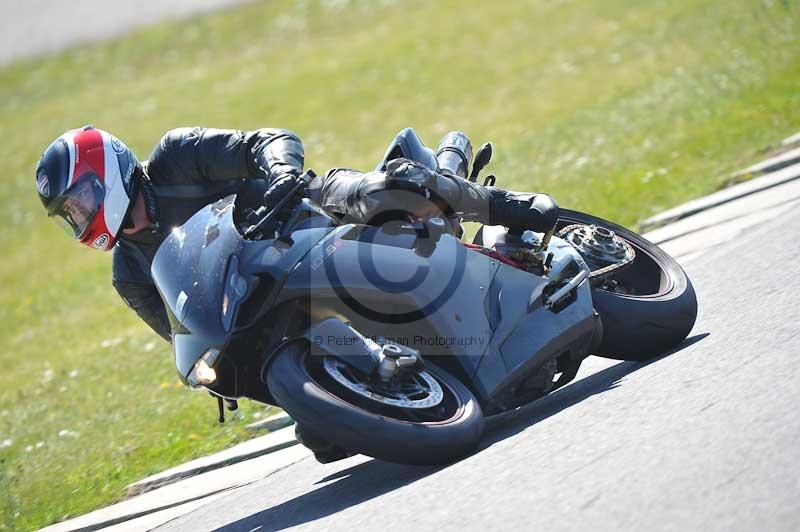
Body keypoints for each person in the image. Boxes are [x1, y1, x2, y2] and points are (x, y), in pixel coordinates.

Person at [35, 125, 558, 462]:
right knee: (322, 440)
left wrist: (281, 171)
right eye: (70, 216)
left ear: (107, 173)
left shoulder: (175, 157)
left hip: (305, 219)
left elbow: (264, 140)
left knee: (387, 191)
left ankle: (504, 205)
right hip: (265, 307)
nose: (80, 219)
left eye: (81, 201)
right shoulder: (129, 273)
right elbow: (180, 325)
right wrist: (206, 367)